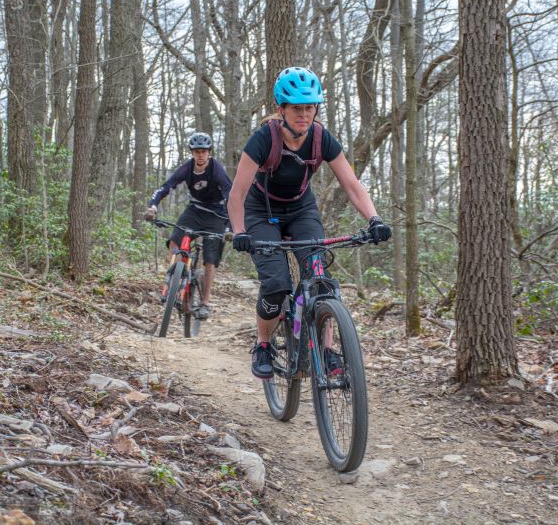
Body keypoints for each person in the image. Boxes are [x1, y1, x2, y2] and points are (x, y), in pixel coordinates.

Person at [227, 66, 392, 379]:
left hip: (301, 210)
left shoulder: (320, 138)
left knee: (320, 280)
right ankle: (263, 344)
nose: (304, 115)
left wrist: (374, 219)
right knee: (276, 285)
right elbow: (237, 194)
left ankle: (327, 351)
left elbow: (352, 184)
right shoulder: (263, 139)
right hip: (261, 212)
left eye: (310, 108)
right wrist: (239, 231)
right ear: (281, 109)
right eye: (297, 108)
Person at [145, 132, 232, 320]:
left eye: (204, 152)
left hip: (217, 214)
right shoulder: (187, 168)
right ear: (192, 153)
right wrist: (153, 206)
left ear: (209, 152)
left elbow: (230, 196)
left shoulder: (216, 170)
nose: (200, 155)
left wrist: (229, 226)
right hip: (195, 210)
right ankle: (175, 280)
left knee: (210, 258)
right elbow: (166, 187)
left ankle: (205, 303)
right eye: (197, 152)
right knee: (175, 240)